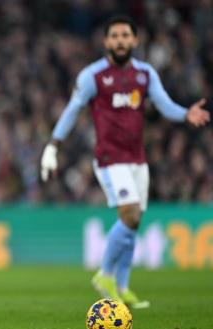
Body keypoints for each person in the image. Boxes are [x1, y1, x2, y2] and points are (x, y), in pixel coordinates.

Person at [40, 15, 210, 309]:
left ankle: (123, 285)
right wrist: (53, 145)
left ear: (134, 40)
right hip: (109, 158)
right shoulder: (93, 76)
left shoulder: (145, 74)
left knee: (133, 223)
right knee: (129, 214)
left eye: (125, 36)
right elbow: (72, 110)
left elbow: (164, 103)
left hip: (137, 159)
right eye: (114, 36)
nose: (120, 41)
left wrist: (185, 114)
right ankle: (105, 275)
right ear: (106, 42)